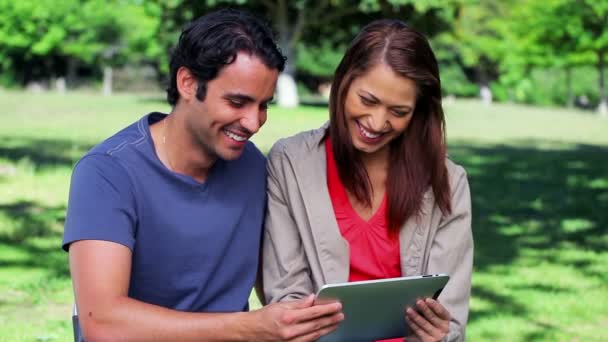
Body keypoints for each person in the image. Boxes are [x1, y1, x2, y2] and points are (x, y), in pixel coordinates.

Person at [62, 9, 343, 341]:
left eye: (263, 105)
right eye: (238, 102)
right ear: (188, 83)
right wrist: (250, 327)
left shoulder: (252, 166)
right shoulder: (107, 173)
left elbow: (276, 284)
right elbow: (103, 324)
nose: (253, 123)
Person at [262, 19, 473, 342]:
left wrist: (440, 335)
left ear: (417, 111)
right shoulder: (290, 162)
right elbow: (285, 293)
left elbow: (451, 317)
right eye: (368, 100)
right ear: (343, 81)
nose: (377, 122)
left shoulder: (448, 182)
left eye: (399, 111)